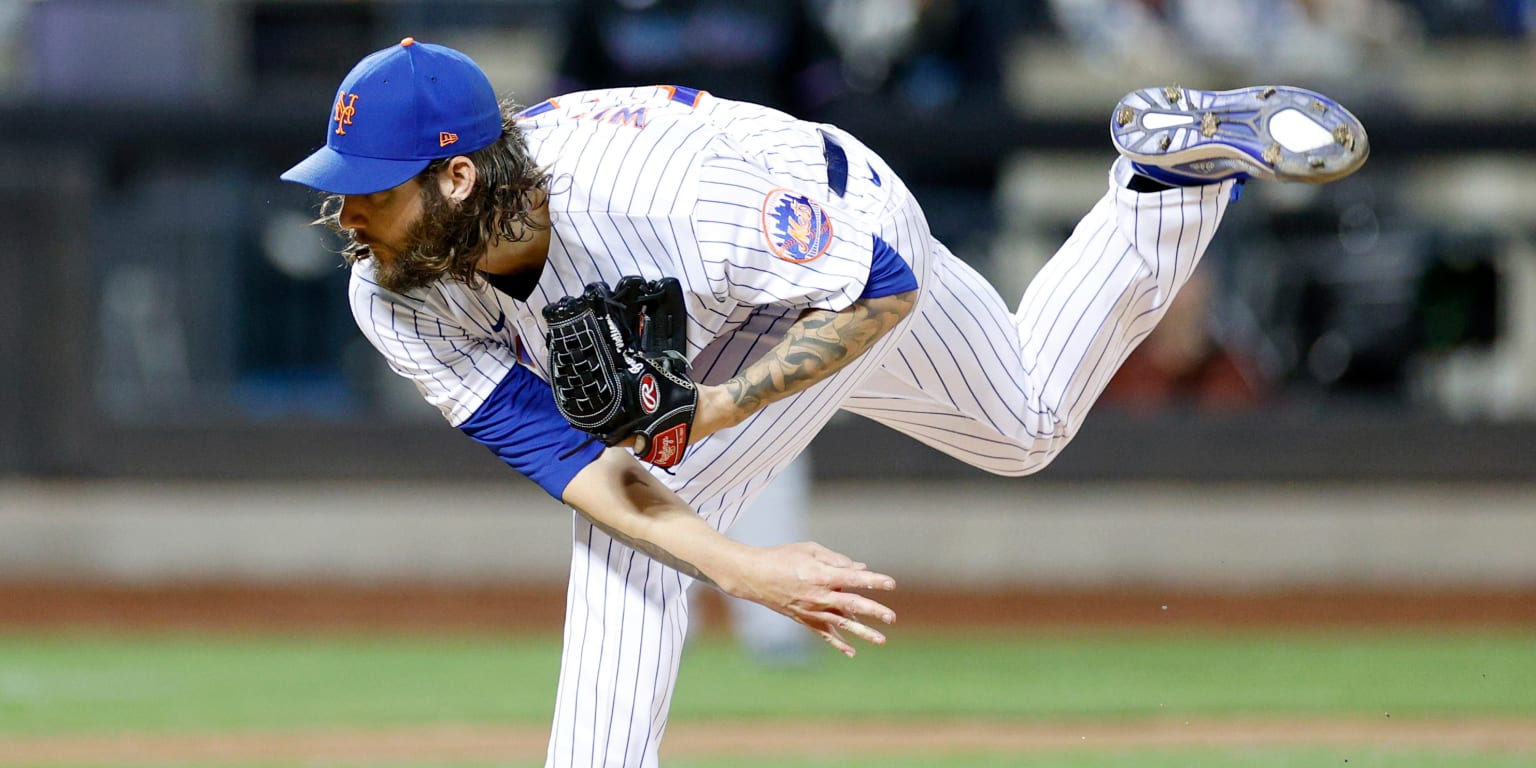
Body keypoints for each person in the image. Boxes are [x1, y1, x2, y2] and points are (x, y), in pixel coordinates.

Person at [280, 38, 1368, 767]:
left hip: (835, 242)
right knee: (1024, 422)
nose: (345, 215)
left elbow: (878, 284)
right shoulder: (399, 301)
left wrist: (708, 413)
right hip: (738, 284)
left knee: (662, 481)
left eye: (369, 188)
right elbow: (581, 470)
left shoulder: (662, 200)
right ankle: (1167, 184)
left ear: (459, 179)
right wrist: (744, 563)